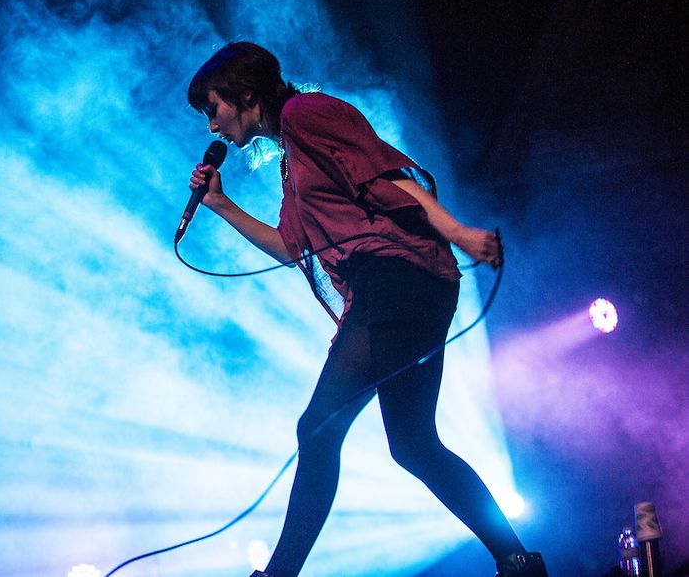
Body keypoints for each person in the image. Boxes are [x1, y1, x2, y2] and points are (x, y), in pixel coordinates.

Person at [186, 42, 548, 577]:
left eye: (213, 108)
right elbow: (291, 247)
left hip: (396, 279)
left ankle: (280, 574)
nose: (212, 126)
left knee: (321, 429)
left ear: (243, 94)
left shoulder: (306, 114)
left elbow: (389, 179)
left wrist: (459, 233)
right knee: (411, 444)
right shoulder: (291, 157)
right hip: (396, 287)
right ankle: (518, 561)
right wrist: (220, 205)